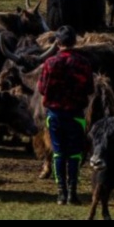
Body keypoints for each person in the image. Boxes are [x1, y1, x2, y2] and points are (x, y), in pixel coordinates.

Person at [37, 26, 94, 205]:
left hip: (54, 114)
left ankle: (61, 193)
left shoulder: (49, 63)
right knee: (75, 154)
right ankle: (73, 192)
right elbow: (90, 89)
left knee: (58, 153)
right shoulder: (83, 63)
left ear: (58, 43)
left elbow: (41, 88)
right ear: (75, 42)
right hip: (76, 114)